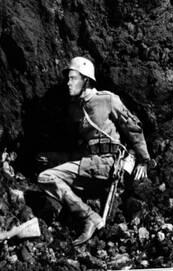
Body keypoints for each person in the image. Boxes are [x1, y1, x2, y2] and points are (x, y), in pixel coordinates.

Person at [37, 57, 151, 246]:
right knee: (45, 177)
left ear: (86, 80)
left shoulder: (107, 99)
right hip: (89, 165)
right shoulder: (75, 109)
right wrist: (55, 158)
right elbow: (83, 149)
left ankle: (89, 217)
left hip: (108, 165)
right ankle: (89, 214)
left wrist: (143, 159)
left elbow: (133, 127)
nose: (68, 83)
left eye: (73, 78)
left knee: (48, 177)